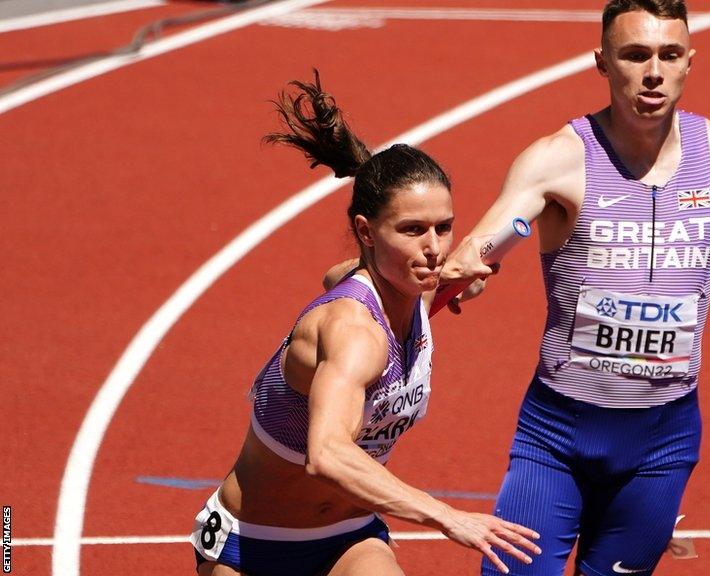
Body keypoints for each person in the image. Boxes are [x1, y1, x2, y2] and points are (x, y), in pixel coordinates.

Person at [439, 2, 710, 575]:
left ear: (688, 63)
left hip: (662, 441)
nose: (653, 71)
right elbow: (490, 242)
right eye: (635, 55)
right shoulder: (557, 161)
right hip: (557, 435)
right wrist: (472, 270)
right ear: (602, 63)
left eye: (668, 55)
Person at [188, 71, 540, 576]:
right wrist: (446, 516)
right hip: (254, 542)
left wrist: (448, 281)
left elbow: (344, 274)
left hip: (347, 538)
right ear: (365, 232)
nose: (434, 247)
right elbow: (327, 454)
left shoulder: (408, 287)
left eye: (444, 227)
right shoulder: (354, 335)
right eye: (413, 230)